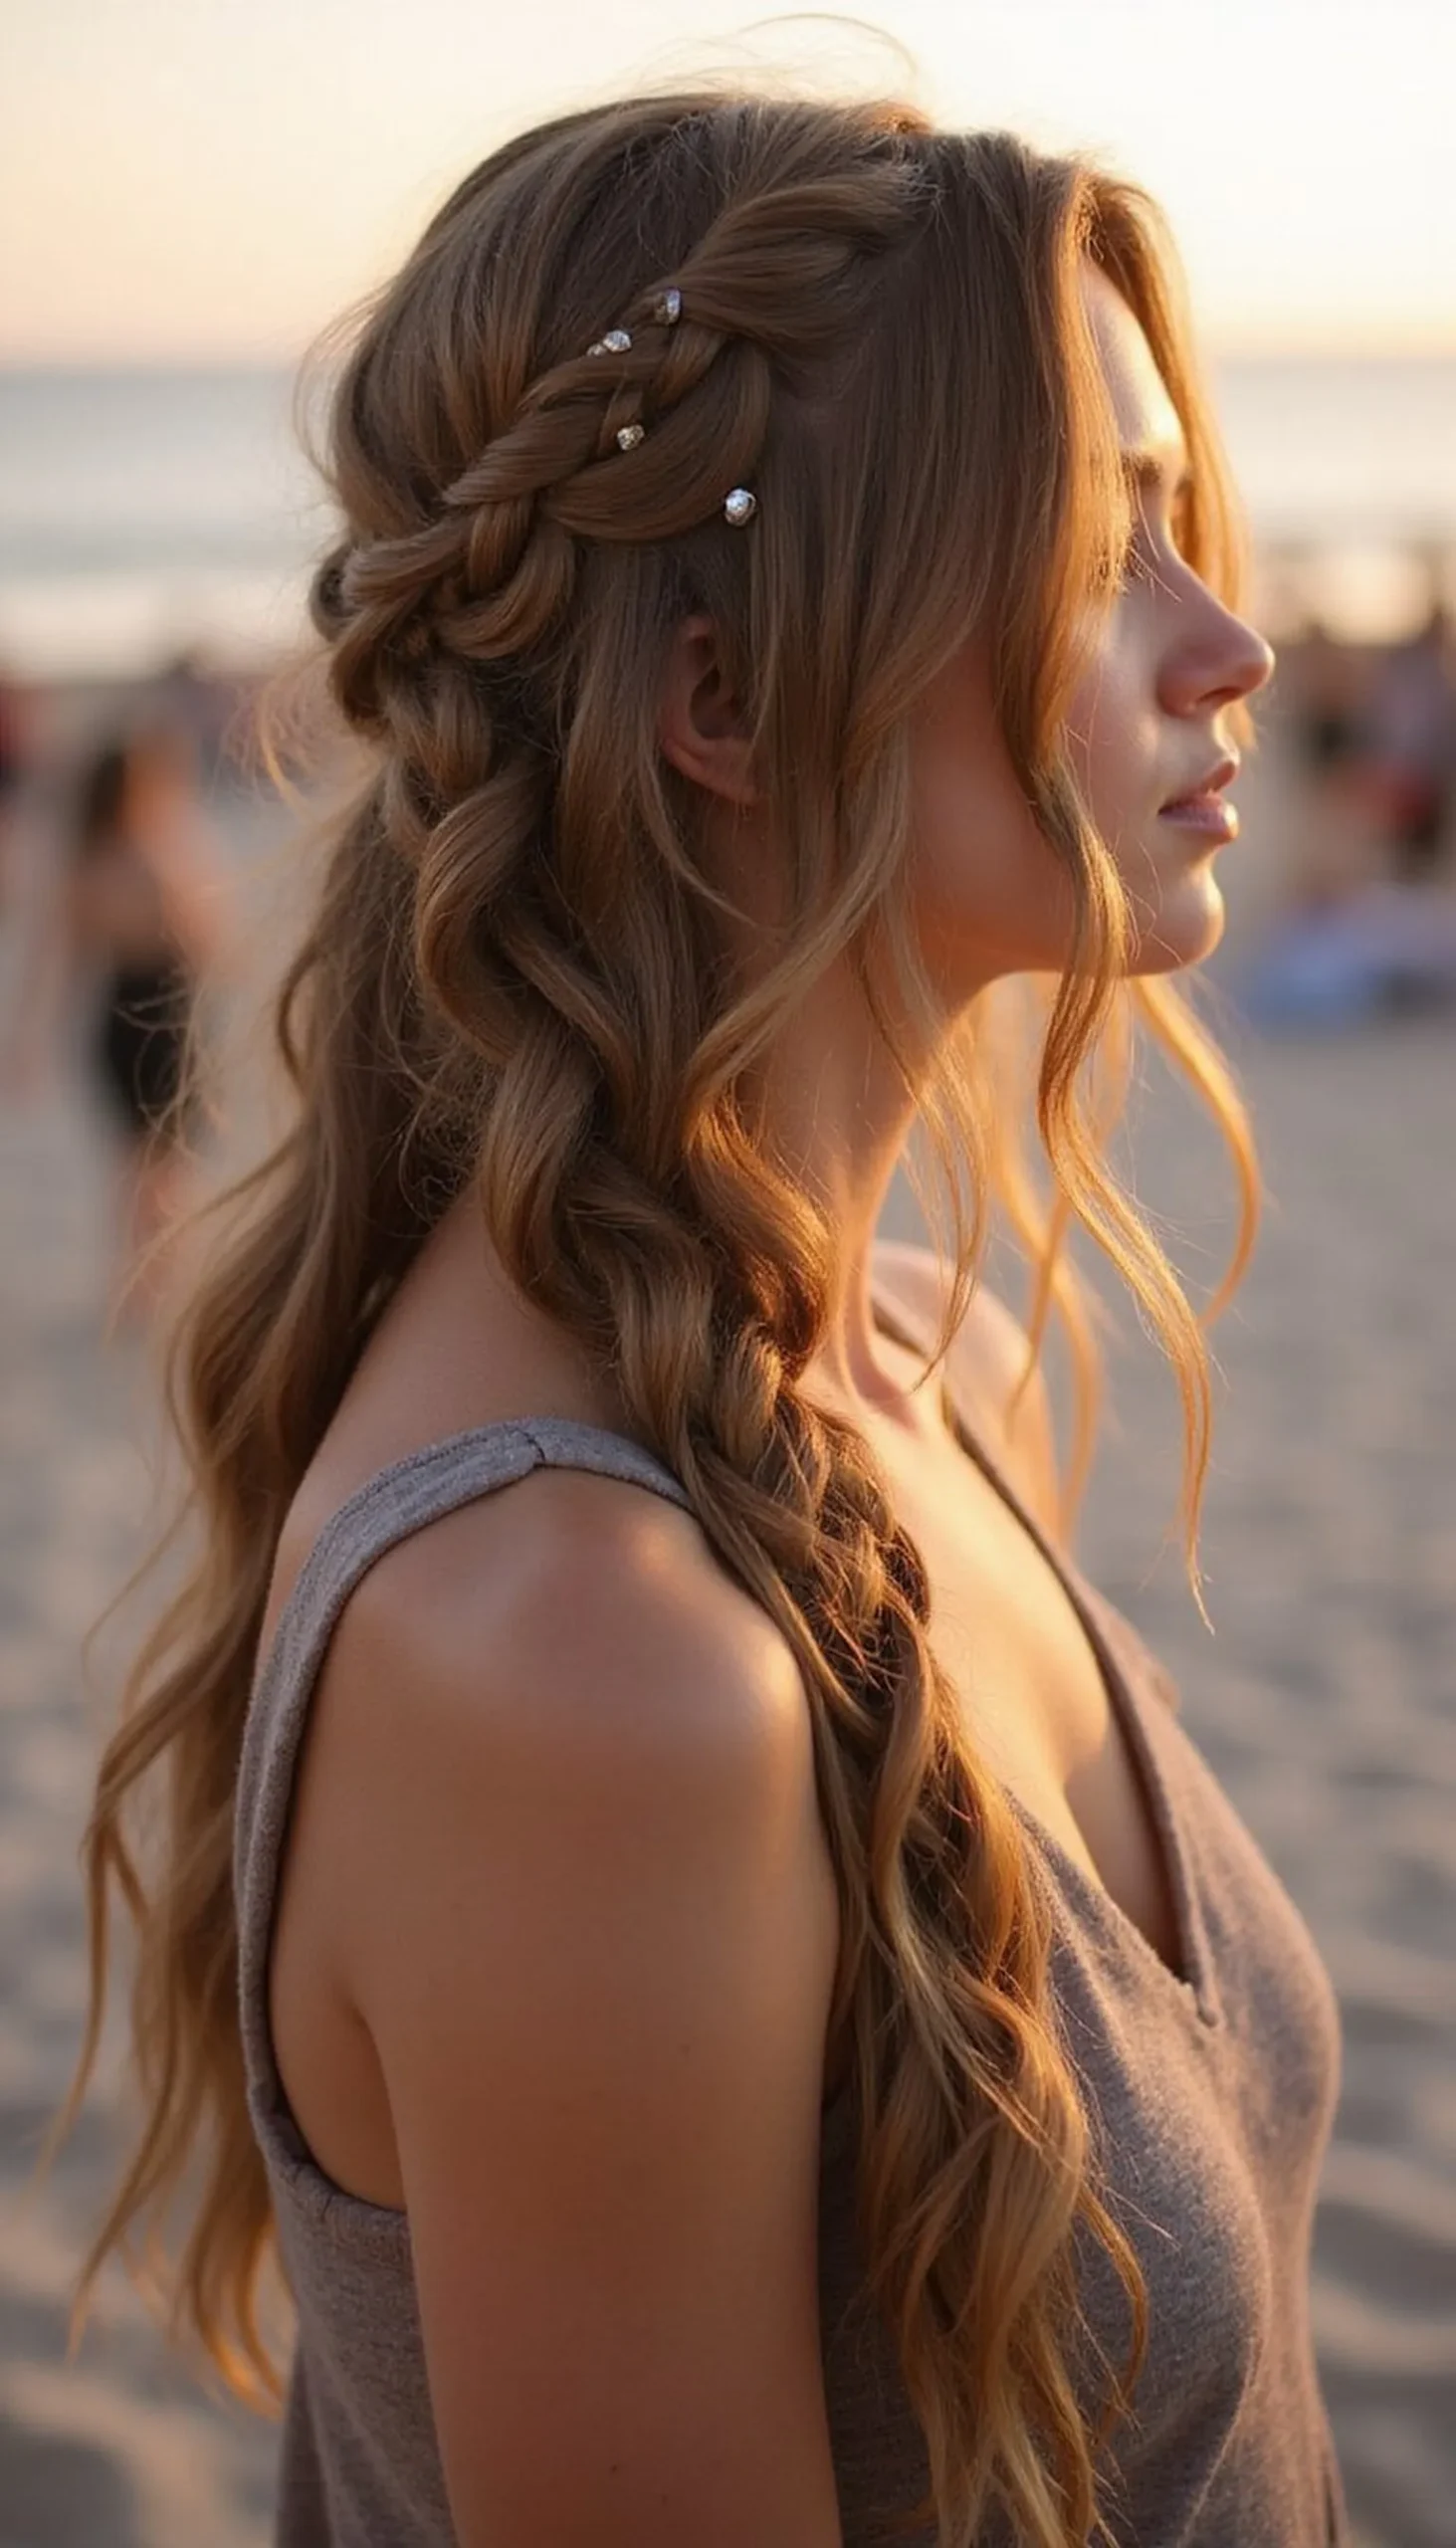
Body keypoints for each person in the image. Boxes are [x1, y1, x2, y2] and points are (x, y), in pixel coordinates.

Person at [45, 91, 1349, 2548]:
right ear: (725, 699)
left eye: (1186, 513)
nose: (1232, 637)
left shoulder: (937, 1364)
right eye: (1098, 543)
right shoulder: (582, 1662)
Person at [0, 714, 237, 1324]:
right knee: (164, 1159)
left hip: (119, 1017)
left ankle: (138, 1281)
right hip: (164, 1012)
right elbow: (212, 944)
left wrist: (27, 1040)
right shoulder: (162, 849)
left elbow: (56, 965)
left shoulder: (89, 862)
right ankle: (157, 1279)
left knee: (138, 1161)